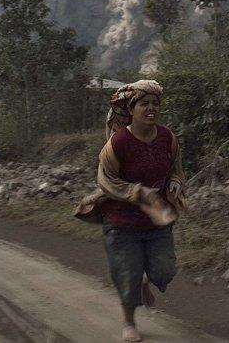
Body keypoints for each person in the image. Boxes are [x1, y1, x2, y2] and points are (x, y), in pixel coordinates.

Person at [73, 79, 188, 342]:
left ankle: (144, 281)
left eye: (155, 104)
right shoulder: (117, 143)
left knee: (165, 270)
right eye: (144, 104)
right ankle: (129, 323)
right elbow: (106, 181)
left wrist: (174, 184)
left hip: (157, 222)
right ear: (131, 109)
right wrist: (138, 193)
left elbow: (177, 169)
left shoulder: (168, 138)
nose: (151, 108)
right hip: (120, 222)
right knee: (127, 275)